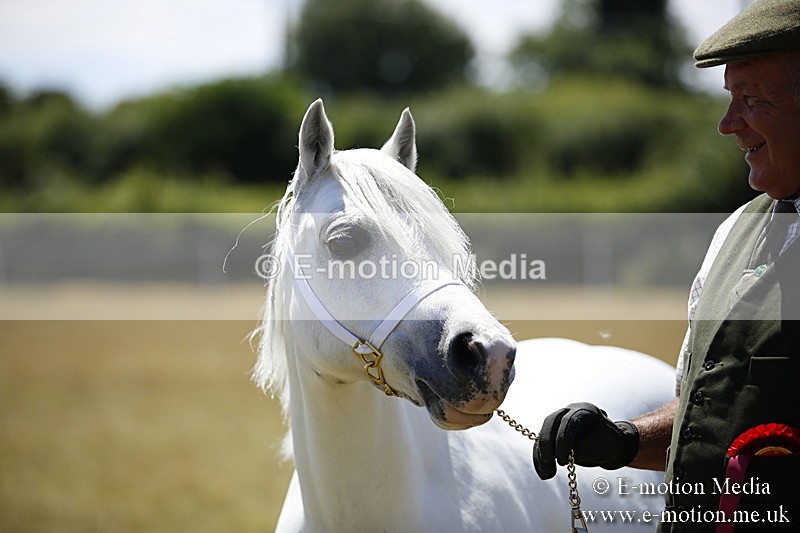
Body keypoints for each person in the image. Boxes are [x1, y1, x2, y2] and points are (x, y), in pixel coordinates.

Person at [531, 1, 800, 531]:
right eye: (729, 100)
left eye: (751, 100)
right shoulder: (732, 235)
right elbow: (709, 414)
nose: (727, 125)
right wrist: (625, 440)